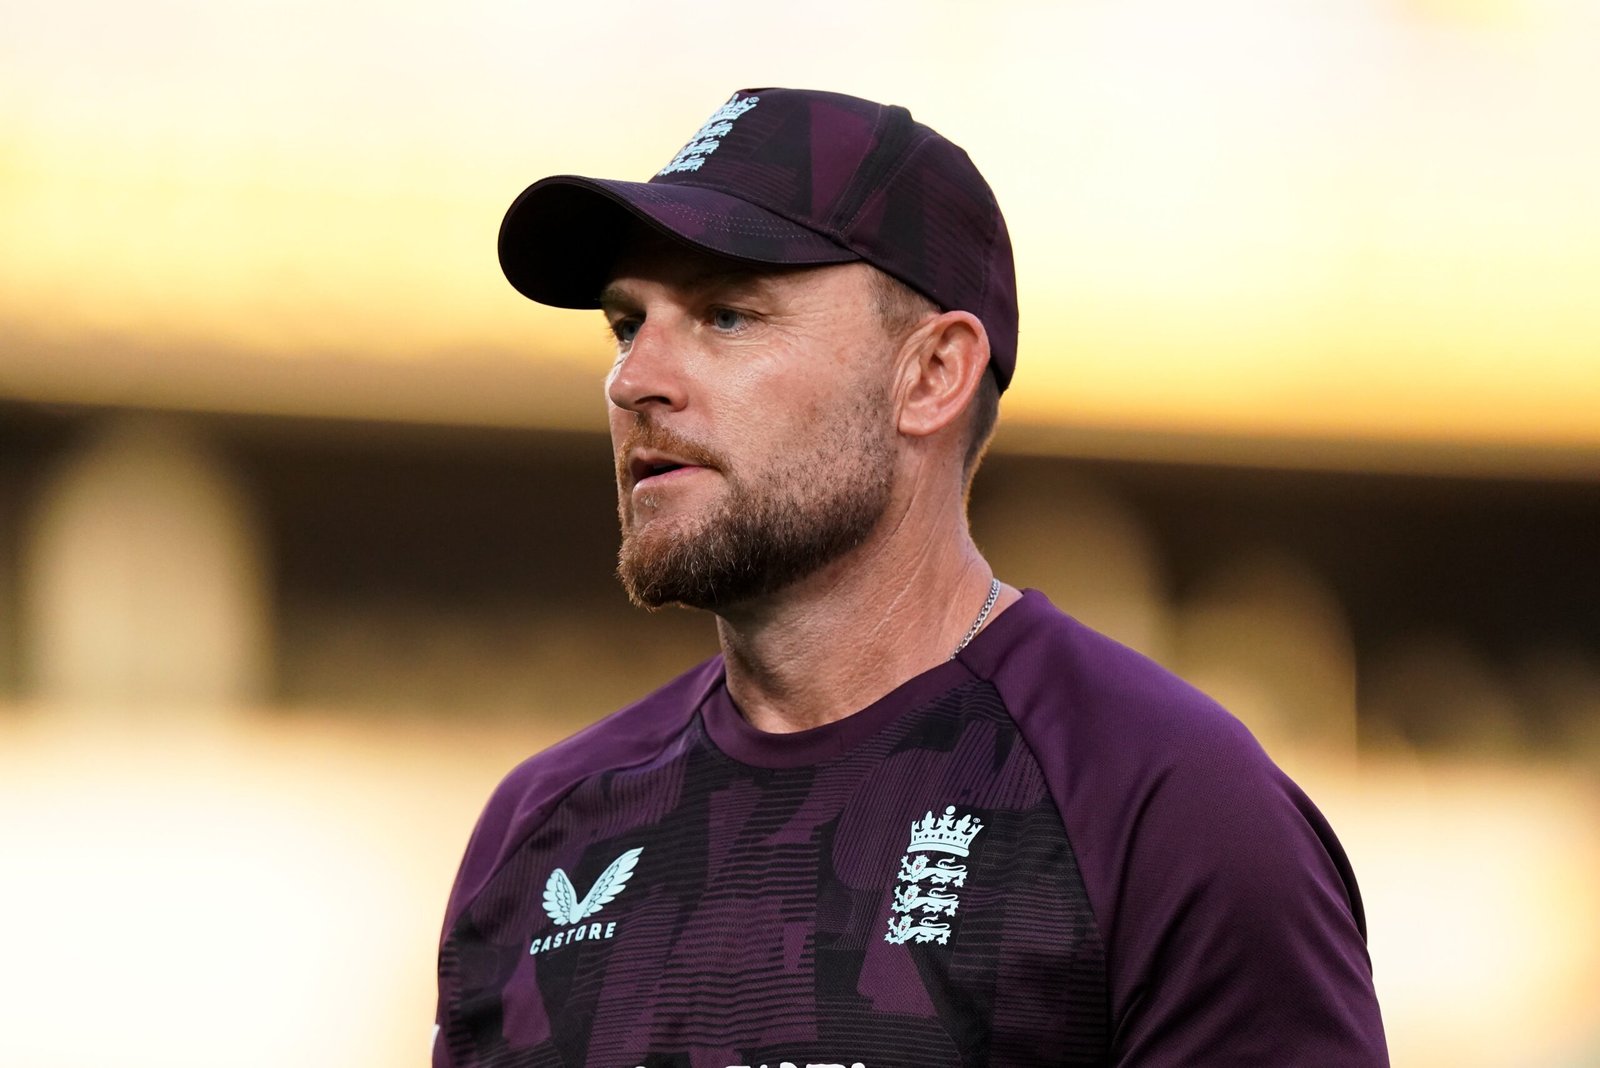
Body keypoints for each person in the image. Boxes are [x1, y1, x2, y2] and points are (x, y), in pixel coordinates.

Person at [433, 88, 1387, 1068]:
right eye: (627, 323)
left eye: (726, 314)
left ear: (931, 376)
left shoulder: (1164, 805)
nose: (633, 379)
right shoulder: (540, 829)